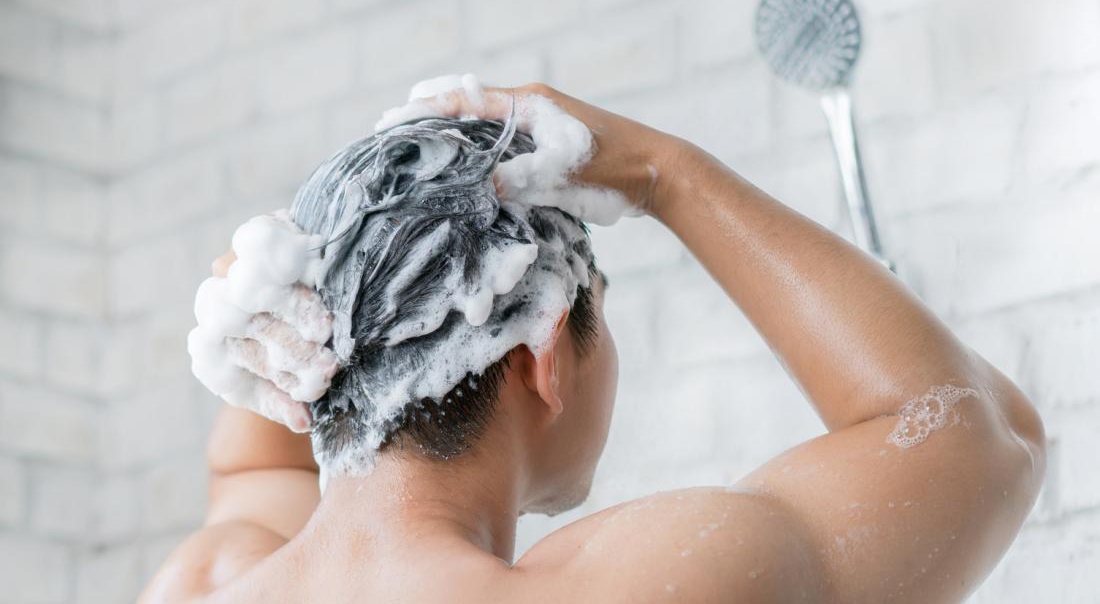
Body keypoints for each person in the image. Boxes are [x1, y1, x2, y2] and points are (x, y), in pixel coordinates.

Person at [140, 83, 1045, 603]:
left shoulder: (207, 582)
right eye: (597, 313)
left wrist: (293, 276)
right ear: (546, 357)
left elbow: (255, 475)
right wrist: (664, 173)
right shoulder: (649, 584)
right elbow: (984, 437)